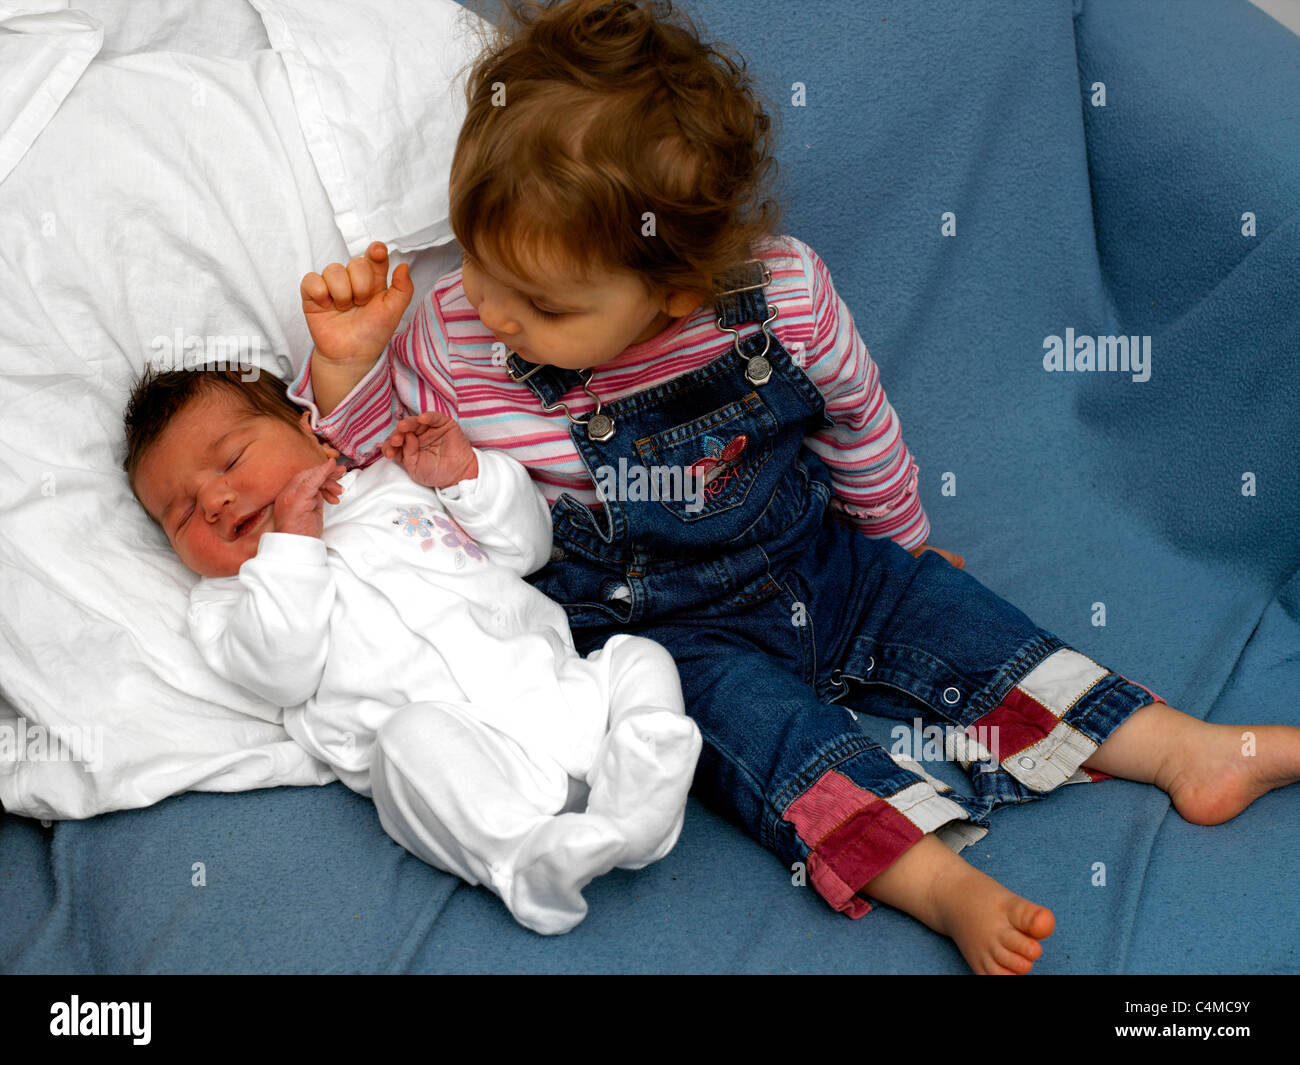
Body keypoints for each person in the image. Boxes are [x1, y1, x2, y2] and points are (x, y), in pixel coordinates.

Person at [290, 0, 1300, 973]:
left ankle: (1185, 749)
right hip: (656, 634)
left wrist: (898, 540)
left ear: (674, 290)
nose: (493, 310)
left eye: (542, 301)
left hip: (811, 556)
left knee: (965, 623)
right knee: (779, 750)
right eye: (474, 260)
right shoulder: (456, 340)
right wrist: (349, 368)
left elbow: (856, 419)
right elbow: (390, 473)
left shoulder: (779, 300)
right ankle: (940, 884)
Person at [123, 366, 702, 935]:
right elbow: (283, 674)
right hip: (461, 764)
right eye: (182, 514)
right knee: (405, 746)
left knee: (637, 657)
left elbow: (528, 549)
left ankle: (635, 800)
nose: (216, 500)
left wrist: (466, 476)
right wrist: (290, 545)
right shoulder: (228, 601)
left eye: (231, 461)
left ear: (313, 432)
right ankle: (524, 857)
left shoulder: (394, 483)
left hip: (559, 693)